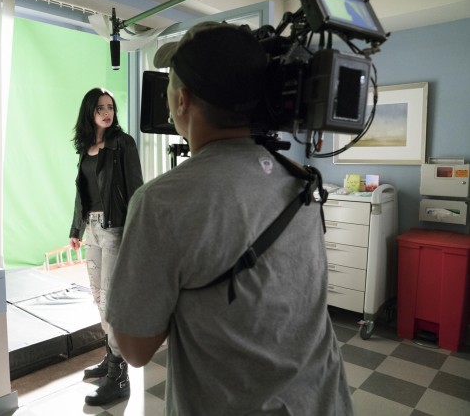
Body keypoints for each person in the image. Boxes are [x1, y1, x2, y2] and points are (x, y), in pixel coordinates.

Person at [105, 22, 354, 415]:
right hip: (324, 400)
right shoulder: (300, 180)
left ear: (182, 100)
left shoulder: (162, 202)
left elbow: (135, 349)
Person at [68, 87, 144, 406]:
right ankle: (111, 358)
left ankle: (119, 377)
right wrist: (76, 228)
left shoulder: (122, 144)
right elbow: (82, 192)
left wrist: (137, 233)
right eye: (100, 107)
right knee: (99, 298)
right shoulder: (86, 148)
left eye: (110, 107)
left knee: (111, 301)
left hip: (115, 230)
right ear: (90, 112)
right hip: (93, 230)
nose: (106, 112)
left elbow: (136, 189)